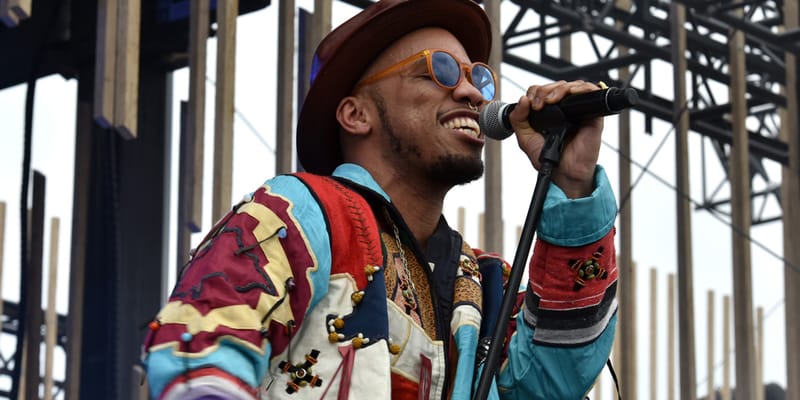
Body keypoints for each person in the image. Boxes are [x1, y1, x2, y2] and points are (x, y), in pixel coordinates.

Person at [142, 0, 619, 398]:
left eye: (477, 76)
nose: (472, 92)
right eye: (441, 70)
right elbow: (202, 349)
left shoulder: (486, 282)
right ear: (356, 114)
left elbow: (557, 380)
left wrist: (574, 184)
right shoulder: (299, 212)